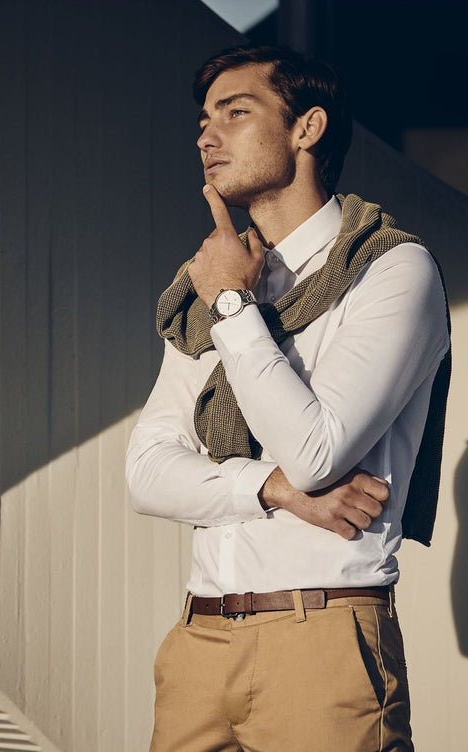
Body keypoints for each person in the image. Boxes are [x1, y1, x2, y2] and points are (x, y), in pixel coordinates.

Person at [125, 44, 451, 752]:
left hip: (323, 638)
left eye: (235, 112)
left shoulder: (392, 270)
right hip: (198, 640)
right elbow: (146, 472)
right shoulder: (212, 277)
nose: (207, 135)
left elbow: (317, 452)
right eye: (203, 120)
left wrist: (235, 306)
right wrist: (270, 489)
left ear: (307, 128)